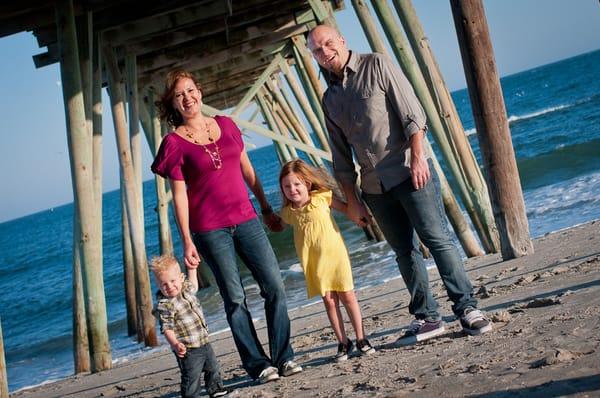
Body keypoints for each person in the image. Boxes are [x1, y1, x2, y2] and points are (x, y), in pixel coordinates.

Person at [307, 25, 492, 345]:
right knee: (404, 253)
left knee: (437, 240)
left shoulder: (376, 64)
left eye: (327, 44)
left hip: (409, 171)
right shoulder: (329, 98)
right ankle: (428, 317)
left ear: (341, 40)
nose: (324, 52)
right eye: (317, 50)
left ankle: (467, 309)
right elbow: (340, 158)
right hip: (375, 188)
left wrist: (419, 159)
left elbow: (413, 116)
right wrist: (352, 201)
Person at [151, 70, 302, 383]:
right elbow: (179, 197)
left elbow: (247, 170)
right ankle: (259, 365)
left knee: (274, 285)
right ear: (174, 104)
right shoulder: (174, 143)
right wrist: (187, 241)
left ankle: (283, 357)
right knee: (235, 299)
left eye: (190, 90)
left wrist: (265, 208)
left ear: (200, 92)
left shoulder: (227, 125)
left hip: (247, 219)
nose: (187, 98)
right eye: (180, 95)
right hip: (209, 230)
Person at [278, 159, 376, 361]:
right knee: (330, 302)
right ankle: (343, 342)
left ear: (307, 183)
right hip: (313, 262)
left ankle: (361, 338)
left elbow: (347, 209)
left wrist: (361, 216)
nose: (292, 189)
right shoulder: (288, 212)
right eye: (287, 186)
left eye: (297, 184)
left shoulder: (322, 197)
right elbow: (277, 226)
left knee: (348, 296)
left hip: (335, 255)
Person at [151, 255, 228, 398]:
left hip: (203, 340)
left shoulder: (185, 289)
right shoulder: (165, 305)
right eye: (164, 284)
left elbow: (194, 285)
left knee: (213, 367)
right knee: (191, 375)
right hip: (187, 347)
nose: (169, 286)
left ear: (181, 277)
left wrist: (192, 269)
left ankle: (215, 389)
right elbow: (166, 328)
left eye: (172, 281)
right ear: (158, 286)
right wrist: (175, 344)